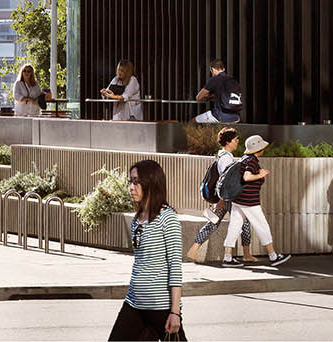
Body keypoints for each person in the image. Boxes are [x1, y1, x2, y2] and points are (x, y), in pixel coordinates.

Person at [108, 159, 185, 339]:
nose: (131, 187)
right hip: (134, 302)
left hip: (160, 307)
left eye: (136, 182)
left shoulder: (168, 218)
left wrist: (175, 312)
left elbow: (175, 266)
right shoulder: (137, 219)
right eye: (130, 181)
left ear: (150, 183)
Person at [186, 127, 254, 263]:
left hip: (224, 197)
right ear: (228, 142)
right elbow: (225, 182)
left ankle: (194, 249)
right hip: (227, 197)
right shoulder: (226, 159)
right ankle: (246, 254)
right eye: (235, 139)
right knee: (244, 223)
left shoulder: (223, 156)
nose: (237, 142)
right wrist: (222, 201)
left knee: (213, 223)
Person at [223, 135, 289, 266]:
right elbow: (247, 177)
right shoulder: (252, 161)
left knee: (234, 227)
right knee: (262, 226)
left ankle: (227, 257)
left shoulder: (244, 159)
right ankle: (273, 256)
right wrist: (261, 174)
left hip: (238, 199)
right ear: (258, 149)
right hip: (249, 201)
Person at [194, 60, 242, 124]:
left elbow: (198, 97)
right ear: (223, 69)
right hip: (236, 117)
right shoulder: (233, 81)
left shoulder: (215, 79)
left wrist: (208, 98)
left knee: (193, 122)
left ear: (212, 69)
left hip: (220, 116)